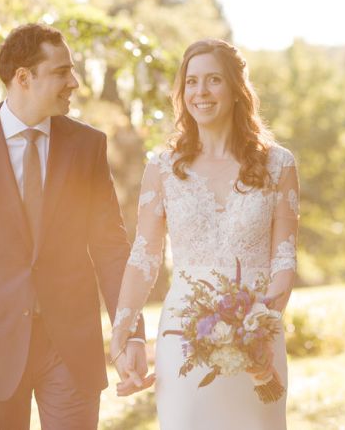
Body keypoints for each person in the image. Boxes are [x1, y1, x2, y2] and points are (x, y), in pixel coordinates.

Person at [0, 23, 152, 430]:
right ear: (23, 77)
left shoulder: (87, 146)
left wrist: (131, 333)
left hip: (70, 346)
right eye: (62, 72)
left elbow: (111, 247)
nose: (74, 82)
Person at [110, 39, 299, 429]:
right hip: (183, 337)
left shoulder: (278, 164)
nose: (201, 92)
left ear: (236, 89)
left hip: (257, 336)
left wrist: (258, 327)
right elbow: (144, 258)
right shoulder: (162, 168)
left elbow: (283, 260)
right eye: (192, 82)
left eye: (214, 80)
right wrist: (123, 334)